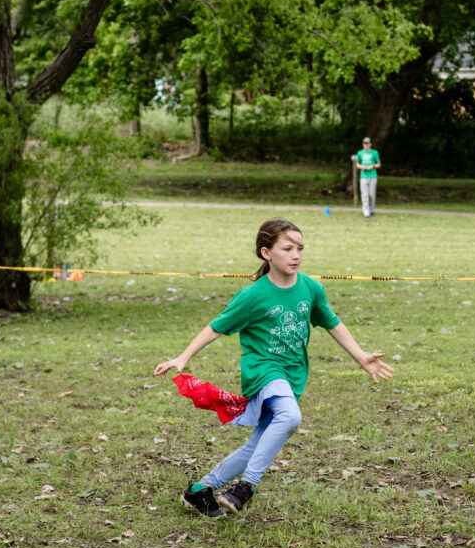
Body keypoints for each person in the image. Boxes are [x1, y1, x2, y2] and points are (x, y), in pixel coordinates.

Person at [153, 218, 395, 517]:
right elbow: (216, 327)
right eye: (287, 248)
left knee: (256, 445)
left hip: (293, 374)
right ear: (267, 253)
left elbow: (332, 322)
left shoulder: (311, 288)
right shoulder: (253, 296)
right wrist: (182, 357)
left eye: (300, 248)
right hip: (264, 370)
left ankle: (199, 490)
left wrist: (361, 357)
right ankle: (247, 487)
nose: (296, 255)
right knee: (291, 417)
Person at [356, 137, 381, 218]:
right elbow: (357, 164)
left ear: (370, 144)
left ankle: (372, 210)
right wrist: (362, 167)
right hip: (363, 176)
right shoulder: (360, 153)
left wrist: (373, 166)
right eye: (364, 143)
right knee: (364, 195)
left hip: (372, 176)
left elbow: (378, 164)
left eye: (367, 143)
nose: (365, 145)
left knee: (371, 195)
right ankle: (366, 212)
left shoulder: (375, 153)